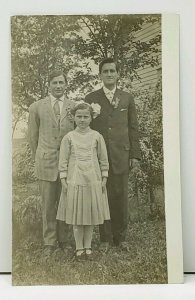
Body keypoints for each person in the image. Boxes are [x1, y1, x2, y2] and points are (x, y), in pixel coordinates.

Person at [85, 57, 141, 252]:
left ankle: (121, 237)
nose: (109, 74)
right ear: (100, 75)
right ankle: (105, 239)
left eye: (112, 71)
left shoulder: (127, 98)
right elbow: (86, 127)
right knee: (103, 196)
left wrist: (135, 155)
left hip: (121, 156)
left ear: (118, 74)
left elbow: (133, 127)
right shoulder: (91, 98)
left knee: (121, 196)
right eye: (105, 71)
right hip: (99, 157)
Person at [28, 70, 75, 257]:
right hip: (45, 162)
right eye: (54, 82)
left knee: (65, 203)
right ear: (49, 84)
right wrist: (39, 157)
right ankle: (49, 241)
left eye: (61, 82)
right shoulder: (36, 107)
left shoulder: (74, 106)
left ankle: (65, 240)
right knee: (48, 204)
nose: (58, 86)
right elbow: (32, 137)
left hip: (68, 164)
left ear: (65, 84)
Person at [56, 101, 110, 258]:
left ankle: (88, 246)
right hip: (75, 180)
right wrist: (64, 179)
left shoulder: (97, 136)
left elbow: (103, 159)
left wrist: (104, 178)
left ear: (91, 118)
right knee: (77, 216)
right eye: (79, 116)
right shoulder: (69, 137)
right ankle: (79, 247)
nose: (82, 120)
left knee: (90, 214)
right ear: (73, 117)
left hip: (93, 180)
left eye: (86, 116)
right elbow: (63, 160)